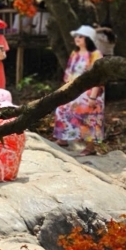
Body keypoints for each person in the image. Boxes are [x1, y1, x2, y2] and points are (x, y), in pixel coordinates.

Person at [53, 25, 105, 154]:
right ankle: (63, 138)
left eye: (80, 36)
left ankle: (90, 146)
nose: (77, 38)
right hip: (74, 89)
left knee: (89, 116)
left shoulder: (96, 54)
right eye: (76, 36)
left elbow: (97, 77)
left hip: (90, 91)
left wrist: (93, 97)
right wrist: (64, 90)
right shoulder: (74, 53)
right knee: (61, 108)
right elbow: (69, 73)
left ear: (88, 39)